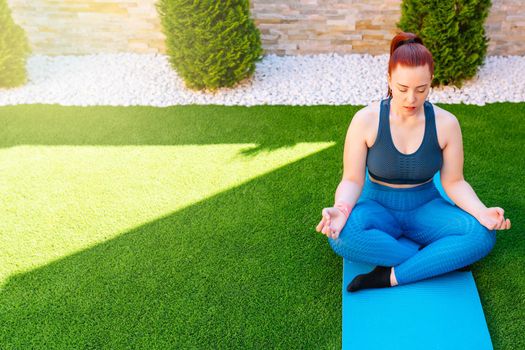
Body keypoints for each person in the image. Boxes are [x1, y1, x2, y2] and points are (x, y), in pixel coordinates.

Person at [315, 32, 511, 293]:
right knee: (341, 236)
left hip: (425, 207)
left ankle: (390, 277)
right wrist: (341, 210)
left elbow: (454, 182)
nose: (411, 99)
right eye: (402, 89)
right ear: (389, 80)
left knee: (481, 235)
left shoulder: (446, 123)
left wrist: (481, 211)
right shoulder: (366, 119)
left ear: (431, 82)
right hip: (377, 207)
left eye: (421, 90)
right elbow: (352, 179)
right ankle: (437, 258)